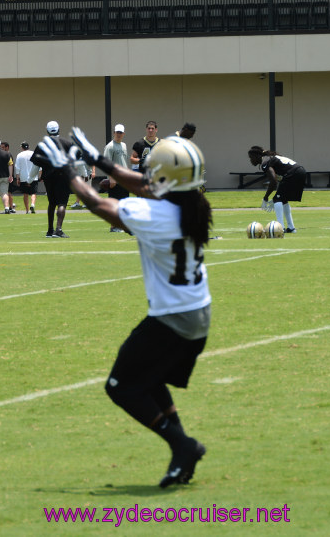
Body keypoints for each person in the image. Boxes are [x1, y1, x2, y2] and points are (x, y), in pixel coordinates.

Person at [39, 127, 211, 488]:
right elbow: (142, 184)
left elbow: (100, 204)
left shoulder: (157, 214)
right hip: (195, 313)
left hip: (173, 318)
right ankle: (182, 451)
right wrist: (98, 160)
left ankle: (182, 445)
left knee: (120, 386)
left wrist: (67, 168)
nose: (147, 175)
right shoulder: (192, 202)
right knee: (149, 378)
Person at [247, 145, 306, 234]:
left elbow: (273, 181)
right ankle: (291, 228)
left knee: (277, 199)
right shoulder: (270, 158)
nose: (251, 161)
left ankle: (280, 228)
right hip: (301, 171)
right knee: (283, 199)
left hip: (293, 173)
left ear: (257, 156)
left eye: (251, 158)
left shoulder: (265, 162)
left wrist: (266, 197)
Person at [30, 121, 71, 238]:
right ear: (59, 129)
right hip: (63, 176)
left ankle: (49, 230)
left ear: (47, 131)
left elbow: (35, 166)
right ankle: (58, 229)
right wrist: (82, 174)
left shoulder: (42, 145)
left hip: (48, 177)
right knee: (62, 203)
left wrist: (29, 179)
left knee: (52, 203)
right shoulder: (67, 143)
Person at [103, 124, 130, 232]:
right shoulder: (110, 146)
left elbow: (124, 162)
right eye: (117, 132)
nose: (118, 134)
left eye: (120, 132)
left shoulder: (123, 145)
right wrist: (111, 178)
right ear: (114, 132)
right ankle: (114, 226)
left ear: (123, 134)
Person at [13, 141, 40, 214]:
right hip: (33, 176)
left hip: (23, 177)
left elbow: (17, 168)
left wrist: (17, 178)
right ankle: (33, 204)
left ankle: (27, 210)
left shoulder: (19, 155)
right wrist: (40, 175)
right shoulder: (33, 153)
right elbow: (38, 165)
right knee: (33, 193)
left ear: (22, 147)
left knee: (25, 193)